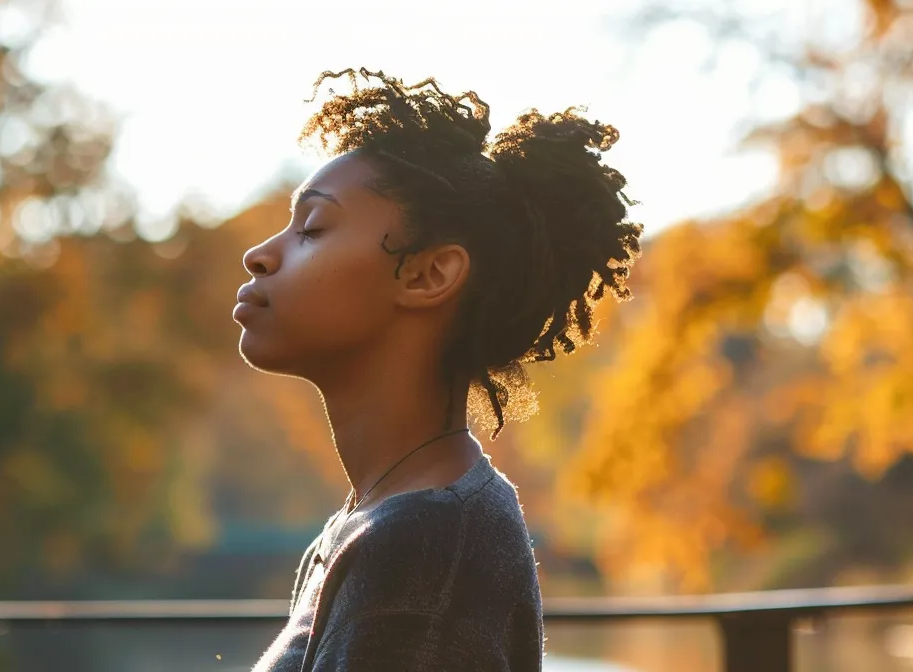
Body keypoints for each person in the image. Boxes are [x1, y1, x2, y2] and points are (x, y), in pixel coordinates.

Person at [238, 67, 644, 671]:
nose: (260, 254)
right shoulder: (388, 521)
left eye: (314, 228)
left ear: (429, 276)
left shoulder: (425, 545)